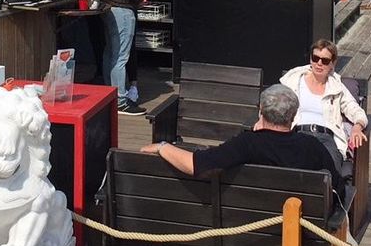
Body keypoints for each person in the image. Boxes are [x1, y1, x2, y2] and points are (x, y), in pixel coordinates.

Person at [140, 83, 344, 197]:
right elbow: (339, 191)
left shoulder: (247, 144)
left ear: (261, 111)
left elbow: (195, 165)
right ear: (293, 116)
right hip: (304, 237)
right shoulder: (312, 146)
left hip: (247, 230)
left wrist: (162, 146)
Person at [279, 39, 369, 181]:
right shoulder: (294, 81)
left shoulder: (337, 87)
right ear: (311, 59)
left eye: (325, 60)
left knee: (329, 174)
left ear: (332, 64)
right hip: (298, 133)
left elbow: (356, 111)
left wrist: (357, 127)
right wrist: (263, 119)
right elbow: (272, 102)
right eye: (315, 58)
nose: (319, 63)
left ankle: (331, 201)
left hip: (326, 138)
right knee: (293, 170)